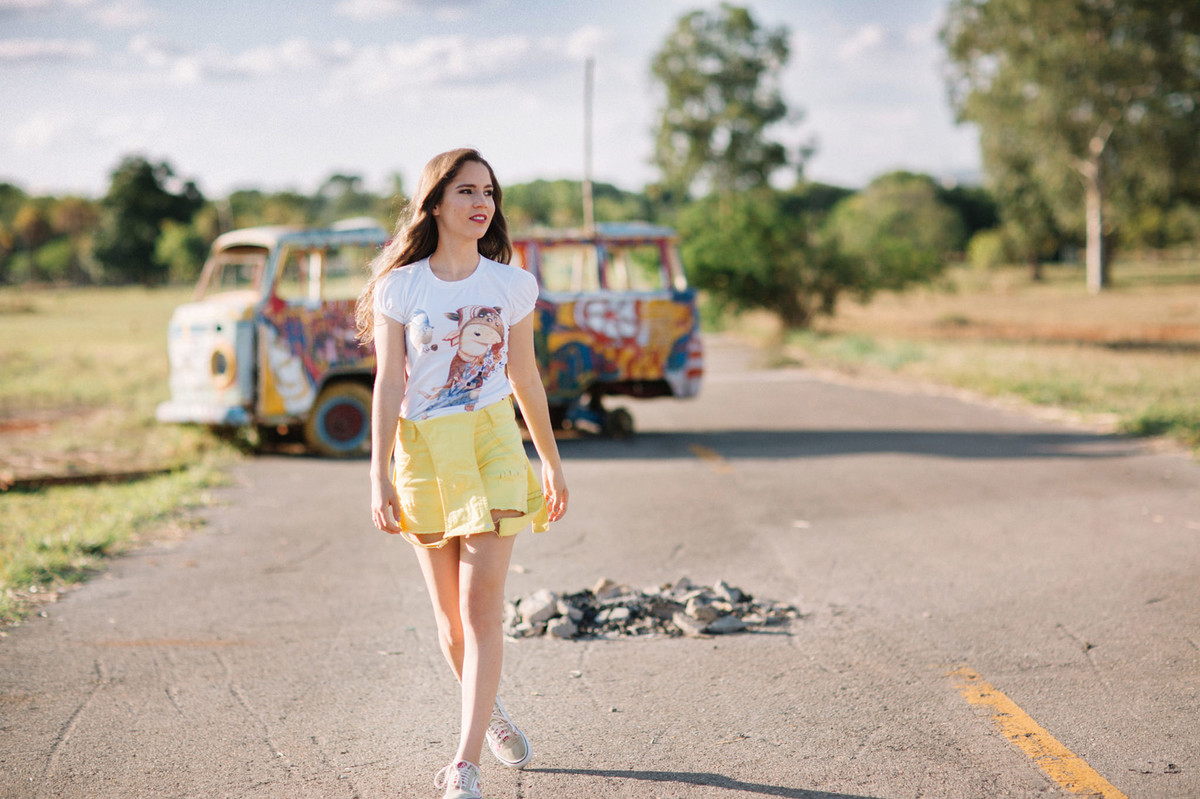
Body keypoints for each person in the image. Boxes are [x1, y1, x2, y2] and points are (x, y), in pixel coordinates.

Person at [355, 148, 568, 799]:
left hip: (493, 444)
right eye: (467, 191)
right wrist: (378, 475)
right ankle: (492, 714)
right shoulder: (400, 287)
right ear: (436, 203)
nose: (482, 203)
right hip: (423, 451)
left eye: (489, 192)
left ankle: (464, 764)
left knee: (480, 612)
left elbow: (524, 375)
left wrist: (550, 460)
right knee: (450, 623)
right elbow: (389, 384)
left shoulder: (511, 285)